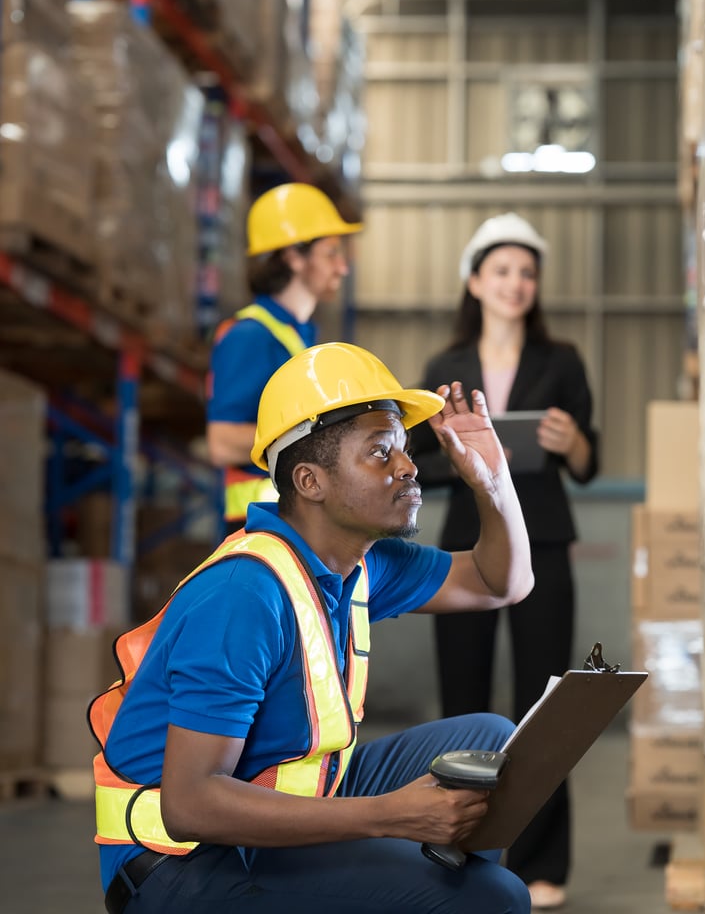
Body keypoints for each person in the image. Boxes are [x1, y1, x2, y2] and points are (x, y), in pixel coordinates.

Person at [90, 341, 534, 914]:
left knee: (488, 746)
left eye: (404, 448)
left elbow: (501, 583)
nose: (408, 466)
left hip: (279, 809)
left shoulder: (360, 561)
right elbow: (190, 805)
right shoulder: (243, 595)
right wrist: (389, 816)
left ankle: (429, 890)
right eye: (380, 452)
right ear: (309, 481)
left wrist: (492, 480)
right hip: (181, 866)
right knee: (493, 899)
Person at [412, 212, 599, 911]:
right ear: (475, 281)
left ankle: (543, 862)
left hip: (543, 541)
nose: (516, 283)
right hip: (466, 543)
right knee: (462, 701)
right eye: (502, 271)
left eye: (527, 272)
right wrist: (468, 457)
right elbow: (418, 466)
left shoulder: (564, 361)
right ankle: (454, 850)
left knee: (544, 702)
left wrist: (570, 440)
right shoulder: (444, 369)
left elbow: (588, 463)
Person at [206, 182, 363, 530]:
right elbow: (221, 442)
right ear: (294, 256)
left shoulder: (298, 338)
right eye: (331, 253)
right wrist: (322, 430)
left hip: (294, 525)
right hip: (258, 530)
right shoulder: (249, 336)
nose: (342, 267)